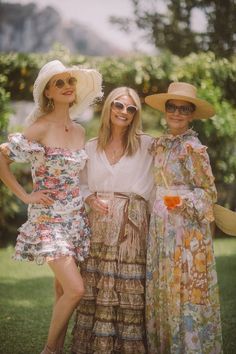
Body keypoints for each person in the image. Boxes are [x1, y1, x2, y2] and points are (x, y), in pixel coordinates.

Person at [0, 59, 103, 354]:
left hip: (76, 220)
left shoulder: (81, 132)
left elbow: (78, 178)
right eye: (59, 83)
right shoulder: (40, 127)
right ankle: (49, 350)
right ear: (47, 92)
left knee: (62, 290)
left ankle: (56, 348)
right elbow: (2, 158)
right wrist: (26, 196)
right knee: (76, 289)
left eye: (70, 81)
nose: (67, 86)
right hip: (48, 221)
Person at [71, 87, 154, 354]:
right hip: (99, 224)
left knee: (128, 287)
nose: (124, 112)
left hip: (132, 226)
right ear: (108, 106)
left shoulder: (147, 145)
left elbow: (161, 182)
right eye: (119, 105)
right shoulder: (90, 147)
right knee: (97, 287)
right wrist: (90, 199)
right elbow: (79, 184)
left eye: (131, 109)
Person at [145, 82, 223, 353]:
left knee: (185, 290)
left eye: (184, 109)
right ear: (165, 111)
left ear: (191, 114)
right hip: (161, 228)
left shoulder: (194, 148)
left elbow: (208, 193)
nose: (177, 112)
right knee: (164, 289)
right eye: (172, 107)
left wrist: (183, 201)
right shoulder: (159, 145)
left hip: (186, 232)